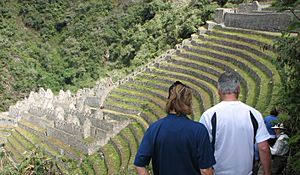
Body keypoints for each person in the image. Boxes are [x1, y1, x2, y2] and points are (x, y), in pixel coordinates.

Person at [134, 81, 215, 175]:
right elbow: (205, 170)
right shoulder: (198, 130)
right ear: (188, 102)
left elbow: (139, 164)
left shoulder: (154, 128)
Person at [199, 72, 271, 175]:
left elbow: (202, 152)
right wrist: (267, 172)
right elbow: (264, 148)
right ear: (238, 89)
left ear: (219, 91)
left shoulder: (209, 116)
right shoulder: (253, 114)